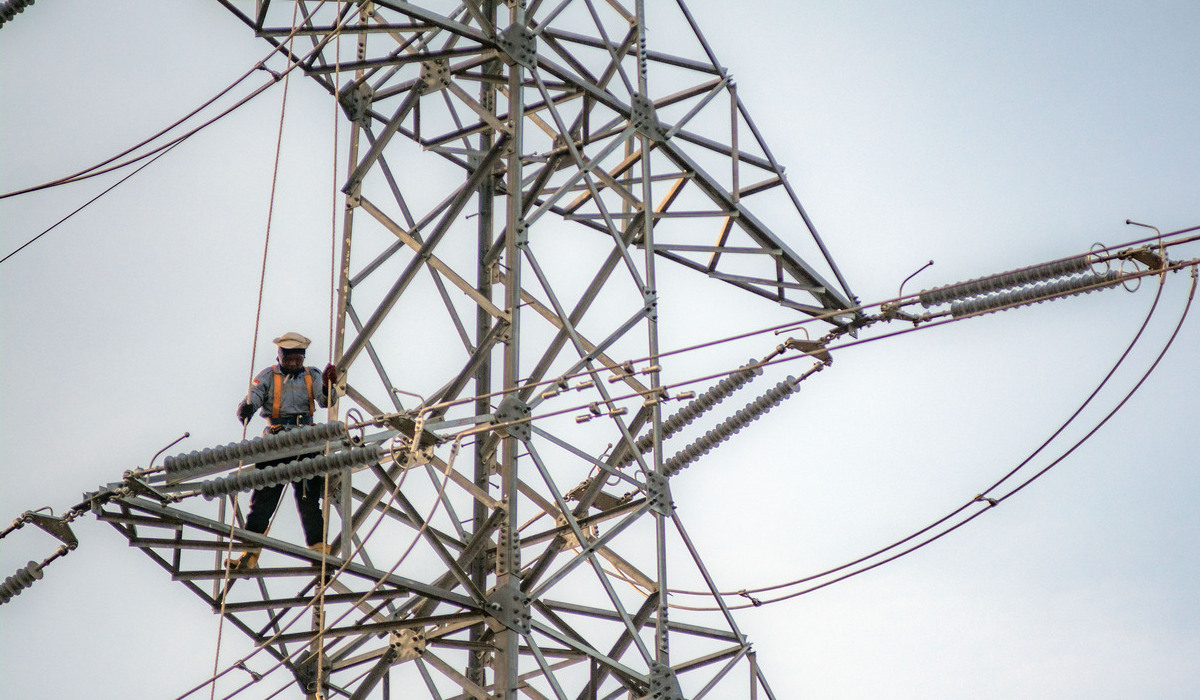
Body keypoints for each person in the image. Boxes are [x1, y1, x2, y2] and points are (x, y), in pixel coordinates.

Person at [228, 332, 339, 570]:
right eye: (289, 356)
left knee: (308, 499)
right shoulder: (268, 377)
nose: (294, 361)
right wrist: (246, 408)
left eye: (298, 357)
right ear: (280, 355)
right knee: (263, 498)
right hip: (276, 443)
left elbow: (325, 401)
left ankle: (319, 551)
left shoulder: (313, 375)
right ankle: (250, 551)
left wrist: (330, 387)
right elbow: (254, 396)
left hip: (306, 441)